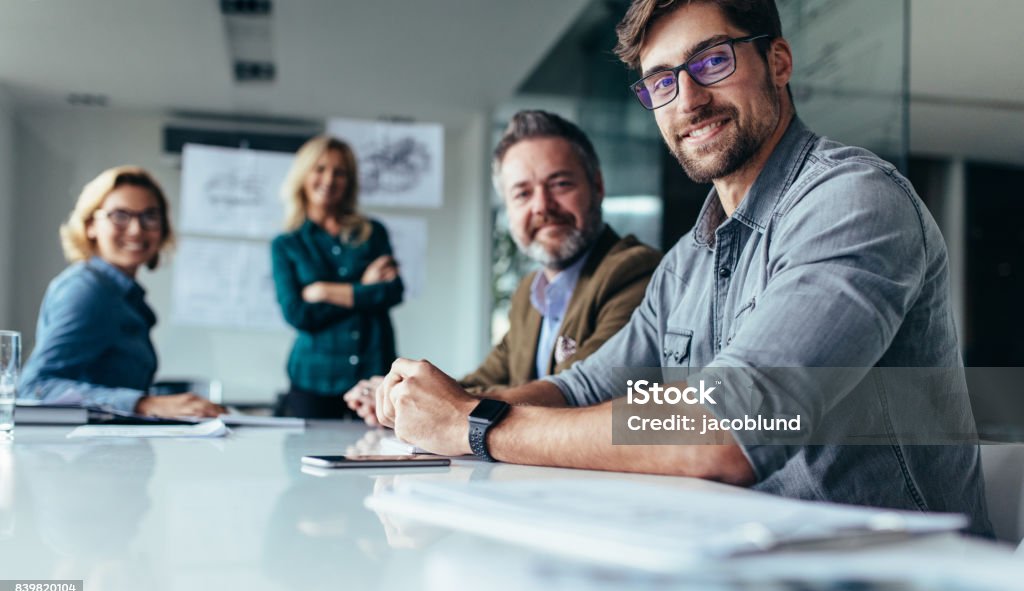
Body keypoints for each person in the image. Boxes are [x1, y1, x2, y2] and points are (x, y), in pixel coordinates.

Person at [370, 0, 991, 534]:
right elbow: (584, 388)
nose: (688, 100)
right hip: (743, 559)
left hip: (896, 579)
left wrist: (476, 425)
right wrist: (448, 406)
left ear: (777, 61)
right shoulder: (687, 262)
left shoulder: (852, 200)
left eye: (713, 60)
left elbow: (726, 432)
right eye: (661, 81)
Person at [343, 111, 662, 425]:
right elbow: (482, 380)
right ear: (508, 209)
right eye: (522, 193)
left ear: (597, 186)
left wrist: (442, 405)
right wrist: (402, 396)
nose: (542, 206)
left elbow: (583, 392)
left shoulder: (632, 270)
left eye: (560, 184)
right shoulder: (529, 292)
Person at [19, 167, 224, 417]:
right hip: (77, 453)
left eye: (150, 216)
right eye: (120, 215)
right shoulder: (87, 290)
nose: (137, 229)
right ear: (91, 225)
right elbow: (35, 388)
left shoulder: (124, 296)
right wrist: (143, 404)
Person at [271, 135, 403, 419]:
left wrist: (322, 291)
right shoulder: (286, 244)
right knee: (304, 459)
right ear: (304, 175)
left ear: (349, 180)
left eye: (339, 172)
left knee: (377, 457)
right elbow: (297, 313)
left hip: (373, 373)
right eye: (320, 169)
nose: (329, 180)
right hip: (313, 378)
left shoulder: (373, 232)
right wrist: (364, 288)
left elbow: (392, 292)